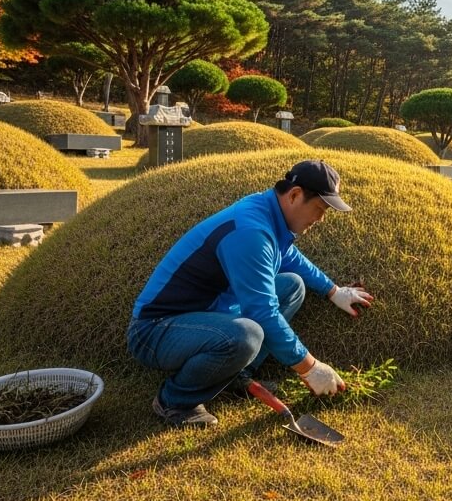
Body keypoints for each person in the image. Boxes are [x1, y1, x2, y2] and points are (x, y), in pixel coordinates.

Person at [126, 159, 375, 427]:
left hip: (206, 314)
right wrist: (310, 368)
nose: (320, 219)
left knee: (291, 286)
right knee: (247, 334)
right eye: (319, 209)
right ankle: (174, 400)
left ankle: (235, 374)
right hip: (156, 330)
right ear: (294, 195)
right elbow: (262, 312)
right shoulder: (250, 231)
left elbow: (289, 257)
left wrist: (334, 291)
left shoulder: (268, 212)